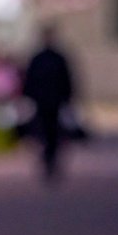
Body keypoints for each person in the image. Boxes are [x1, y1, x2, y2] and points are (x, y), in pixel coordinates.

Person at [22, 25, 76, 181]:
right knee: (45, 129)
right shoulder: (46, 58)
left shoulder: (52, 58)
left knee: (51, 129)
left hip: (51, 100)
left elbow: (66, 79)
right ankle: (48, 155)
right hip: (45, 100)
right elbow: (30, 79)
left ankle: (49, 155)